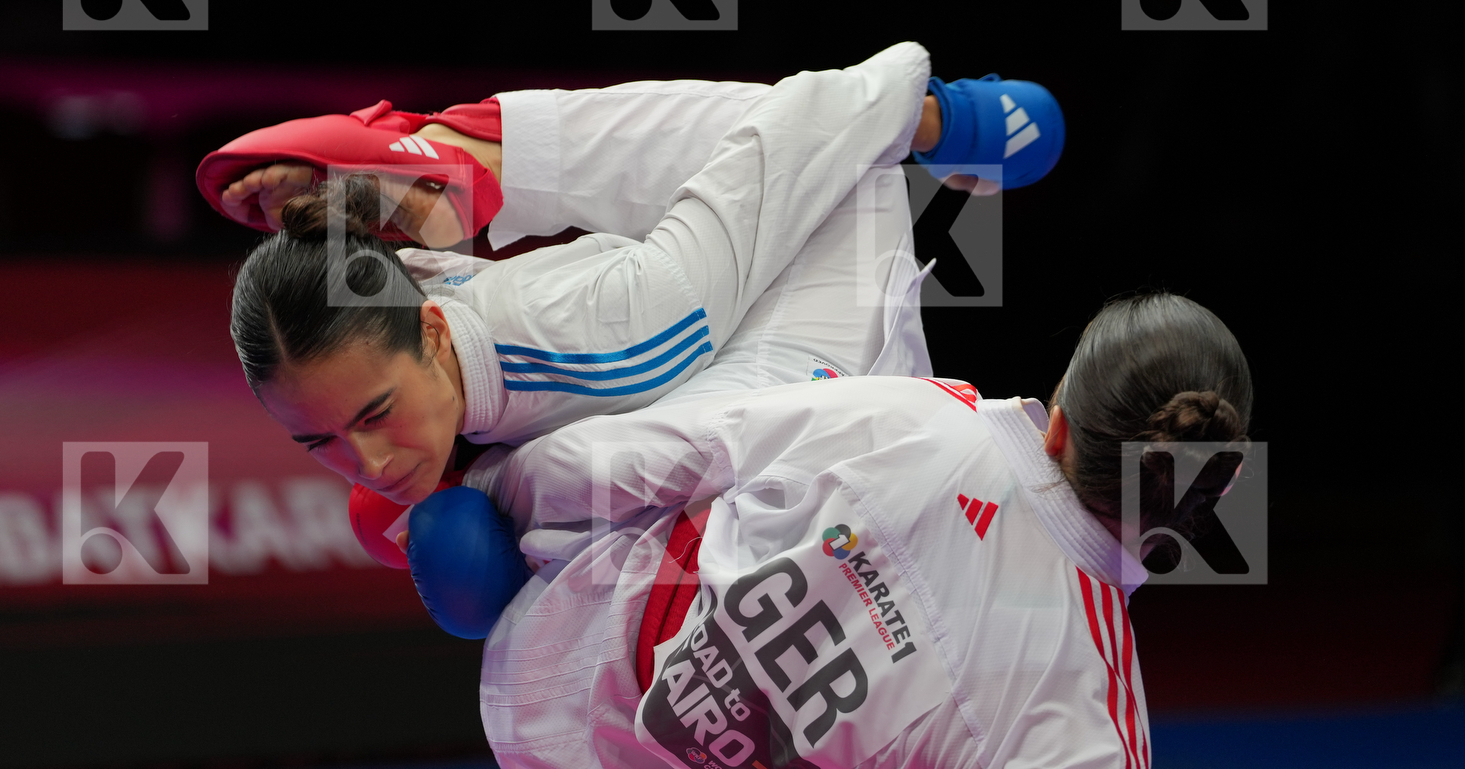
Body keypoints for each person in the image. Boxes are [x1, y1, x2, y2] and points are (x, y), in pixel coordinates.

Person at [219, 45, 1067, 563]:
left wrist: (914, 108)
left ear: (435, 339)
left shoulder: (612, 326)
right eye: (318, 439)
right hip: (662, 297)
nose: (366, 464)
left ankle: (926, 121)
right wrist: (373, 202)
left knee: (640, 496)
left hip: (805, 280)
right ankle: (427, 156)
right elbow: (385, 280)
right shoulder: (400, 306)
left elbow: (777, 162)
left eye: (373, 413)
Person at [439, 291, 1252, 767]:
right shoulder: (1092, 723)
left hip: (556, 676)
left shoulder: (923, 416)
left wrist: (483, 488)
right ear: (1217, 493)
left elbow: (670, 451)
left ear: (1059, 422)